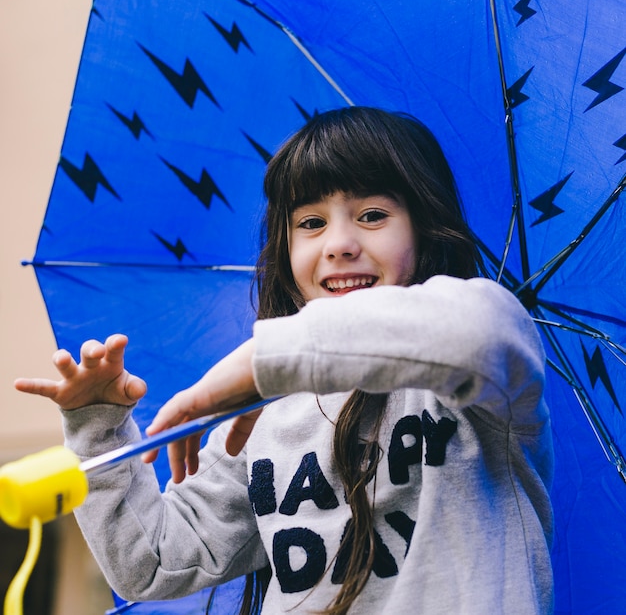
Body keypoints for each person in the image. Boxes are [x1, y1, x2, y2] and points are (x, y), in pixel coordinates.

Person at [15, 107, 554, 614]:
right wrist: (96, 429)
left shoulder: (480, 372)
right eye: (311, 223)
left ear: (425, 227)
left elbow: (478, 329)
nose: (339, 243)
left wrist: (262, 360)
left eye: (372, 215)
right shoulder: (265, 419)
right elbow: (152, 562)